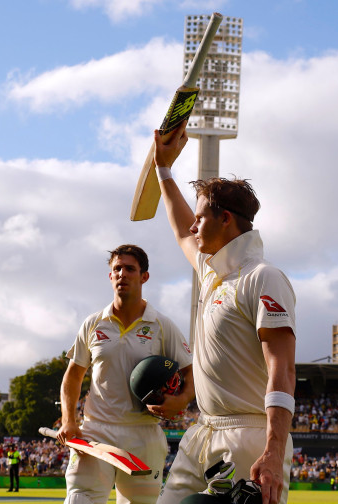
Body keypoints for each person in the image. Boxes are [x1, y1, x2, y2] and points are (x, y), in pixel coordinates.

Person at [152, 121, 297, 504]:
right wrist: (163, 169)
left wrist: (274, 451)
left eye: (201, 217)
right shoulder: (212, 273)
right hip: (201, 433)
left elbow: (283, 369)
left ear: (226, 219)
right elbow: (182, 230)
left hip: (247, 438)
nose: (193, 225)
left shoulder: (263, 278)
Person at [58, 244, 195, 504]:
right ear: (110, 277)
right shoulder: (93, 323)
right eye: (116, 269)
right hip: (96, 431)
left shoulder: (162, 325)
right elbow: (73, 376)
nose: (122, 274)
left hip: (143, 434)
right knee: (80, 499)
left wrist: (182, 399)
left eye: (130, 269)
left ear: (144, 276)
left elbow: (192, 372)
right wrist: (69, 420)